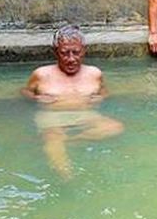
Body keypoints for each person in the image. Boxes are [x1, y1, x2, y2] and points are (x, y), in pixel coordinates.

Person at [22, 25, 123, 179]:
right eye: (64, 53)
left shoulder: (94, 73)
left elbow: (104, 91)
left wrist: (101, 97)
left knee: (115, 127)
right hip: (52, 117)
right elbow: (25, 92)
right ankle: (67, 176)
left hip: (85, 114)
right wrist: (36, 98)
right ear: (56, 52)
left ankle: (72, 140)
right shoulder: (41, 74)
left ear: (83, 51)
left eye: (76, 52)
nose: (71, 59)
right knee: (54, 138)